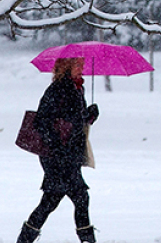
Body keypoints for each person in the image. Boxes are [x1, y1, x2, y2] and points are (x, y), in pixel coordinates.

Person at [17, 57, 99, 243]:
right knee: (79, 197)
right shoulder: (58, 89)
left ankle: (24, 239)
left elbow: (74, 121)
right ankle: (87, 240)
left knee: (52, 200)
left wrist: (90, 115)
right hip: (57, 156)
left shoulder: (77, 88)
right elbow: (42, 121)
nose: (82, 68)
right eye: (77, 64)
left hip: (69, 154)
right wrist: (57, 147)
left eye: (82, 64)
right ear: (66, 66)